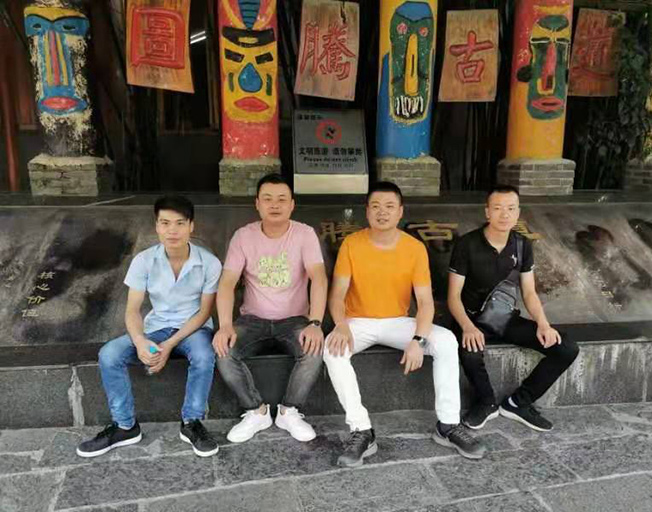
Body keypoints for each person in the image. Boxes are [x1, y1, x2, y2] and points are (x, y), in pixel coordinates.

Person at [323, 181, 485, 468]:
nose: (382, 212)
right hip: (357, 322)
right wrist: (340, 324)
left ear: (400, 212)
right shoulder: (352, 244)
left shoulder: (414, 248)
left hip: (398, 321)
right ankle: (362, 430)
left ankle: (447, 425)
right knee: (332, 349)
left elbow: (424, 302)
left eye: (389, 206)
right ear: (367, 211)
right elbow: (337, 294)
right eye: (375, 206)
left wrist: (418, 340)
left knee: (446, 340)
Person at [77, 196, 221, 458]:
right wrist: (141, 341)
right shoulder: (143, 260)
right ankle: (125, 426)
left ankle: (192, 423)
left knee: (203, 355)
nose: (172, 230)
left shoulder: (209, 263)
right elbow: (132, 310)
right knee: (109, 354)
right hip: (157, 327)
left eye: (180, 223)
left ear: (191, 226)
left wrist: (169, 345)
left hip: (193, 329)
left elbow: (204, 312)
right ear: (156, 226)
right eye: (165, 223)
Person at [448, 185, 580, 432]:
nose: (504, 214)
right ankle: (486, 403)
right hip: (471, 319)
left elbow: (529, 292)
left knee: (566, 348)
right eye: (498, 208)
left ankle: (518, 403)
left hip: (504, 317)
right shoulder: (467, 244)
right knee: (469, 352)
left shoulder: (522, 245)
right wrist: (467, 327)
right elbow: (453, 296)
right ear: (487, 212)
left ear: (518, 213)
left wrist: (543, 324)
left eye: (510, 208)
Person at [213, 174, 327, 443]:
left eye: (281, 199)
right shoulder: (243, 236)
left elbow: (319, 278)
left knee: (313, 349)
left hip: (295, 320)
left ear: (292, 204)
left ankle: (289, 411)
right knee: (224, 350)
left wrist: (315, 323)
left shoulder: (304, 234)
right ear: (257, 203)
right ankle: (256, 411)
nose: (274, 205)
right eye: (267, 199)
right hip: (252, 321)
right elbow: (227, 283)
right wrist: (225, 325)